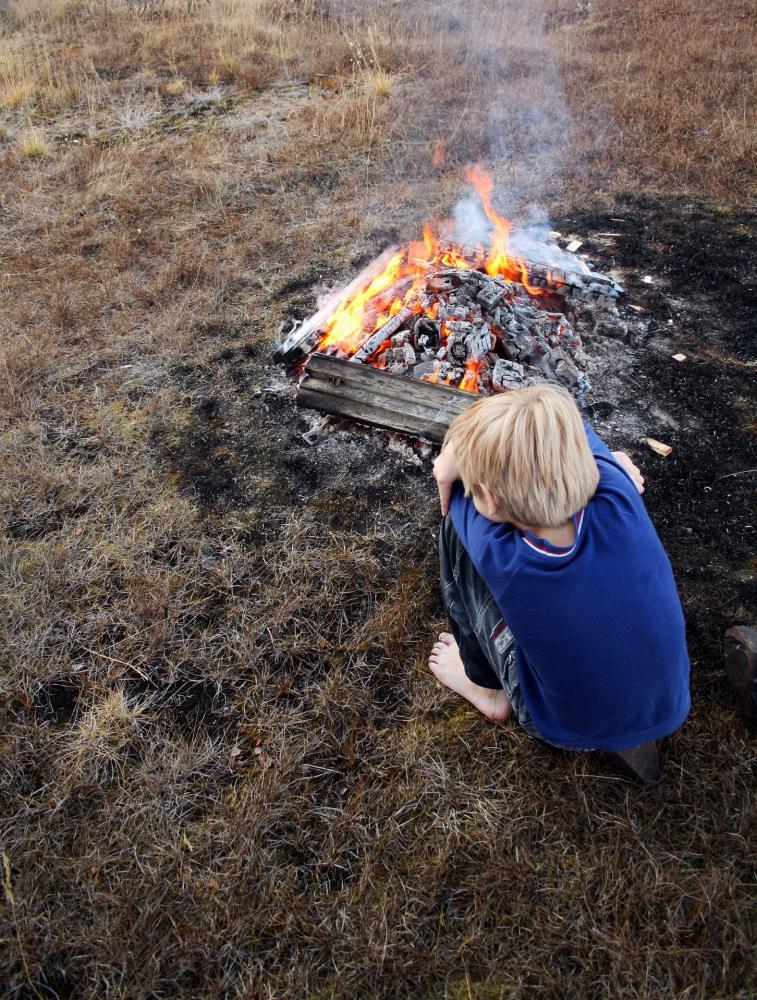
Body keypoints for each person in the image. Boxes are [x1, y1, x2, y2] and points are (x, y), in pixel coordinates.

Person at [429, 384, 690, 752]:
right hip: (668, 705)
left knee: (453, 530)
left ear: (488, 497)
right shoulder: (619, 493)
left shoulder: (503, 555)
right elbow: (570, 427)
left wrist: (451, 453)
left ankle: (487, 687)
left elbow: (454, 492)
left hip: (564, 727)